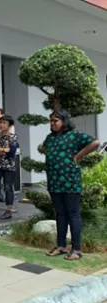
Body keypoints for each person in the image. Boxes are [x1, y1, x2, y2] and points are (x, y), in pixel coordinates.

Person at [44, 109, 99, 261]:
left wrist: (78, 156)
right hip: (54, 181)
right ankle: (61, 246)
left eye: (56, 121)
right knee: (60, 214)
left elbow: (95, 142)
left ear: (64, 121)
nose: (52, 123)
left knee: (73, 214)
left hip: (70, 181)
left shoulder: (75, 135)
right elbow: (46, 149)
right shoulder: (50, 138)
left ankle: (76, 249)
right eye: (51, 121)